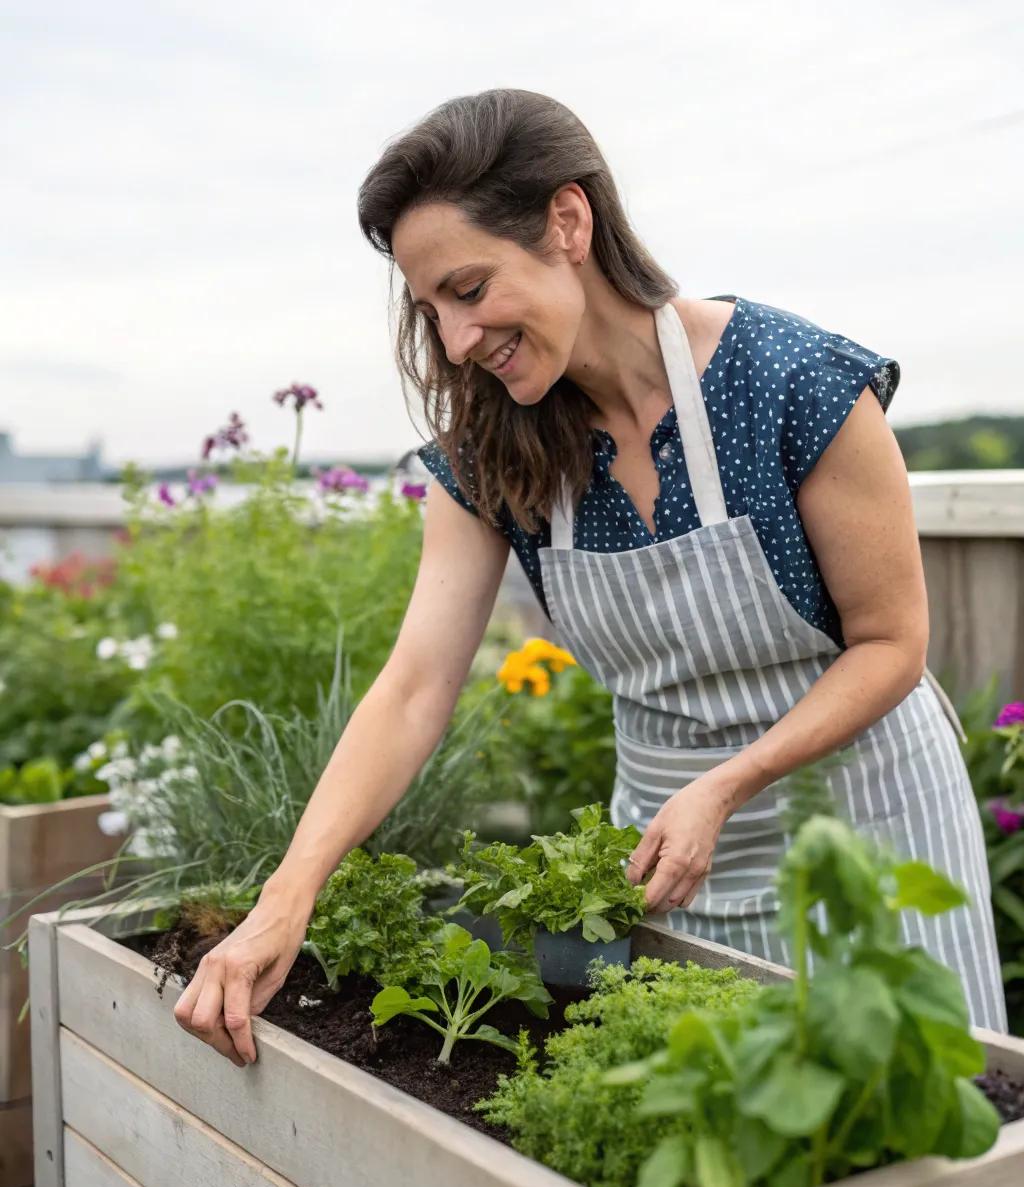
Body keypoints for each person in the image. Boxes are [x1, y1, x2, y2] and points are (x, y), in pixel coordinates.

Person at [173, 88, 1007, 1065]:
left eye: (470, 289)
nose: (452, 341)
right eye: (431, 307)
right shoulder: (490, 452)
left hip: (865, 833)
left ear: (568, 222)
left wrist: (726, 787)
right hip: (671, 869)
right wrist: (285, 899)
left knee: (919, 1134)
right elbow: (411, 692)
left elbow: (891, 646)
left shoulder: (790, 382)